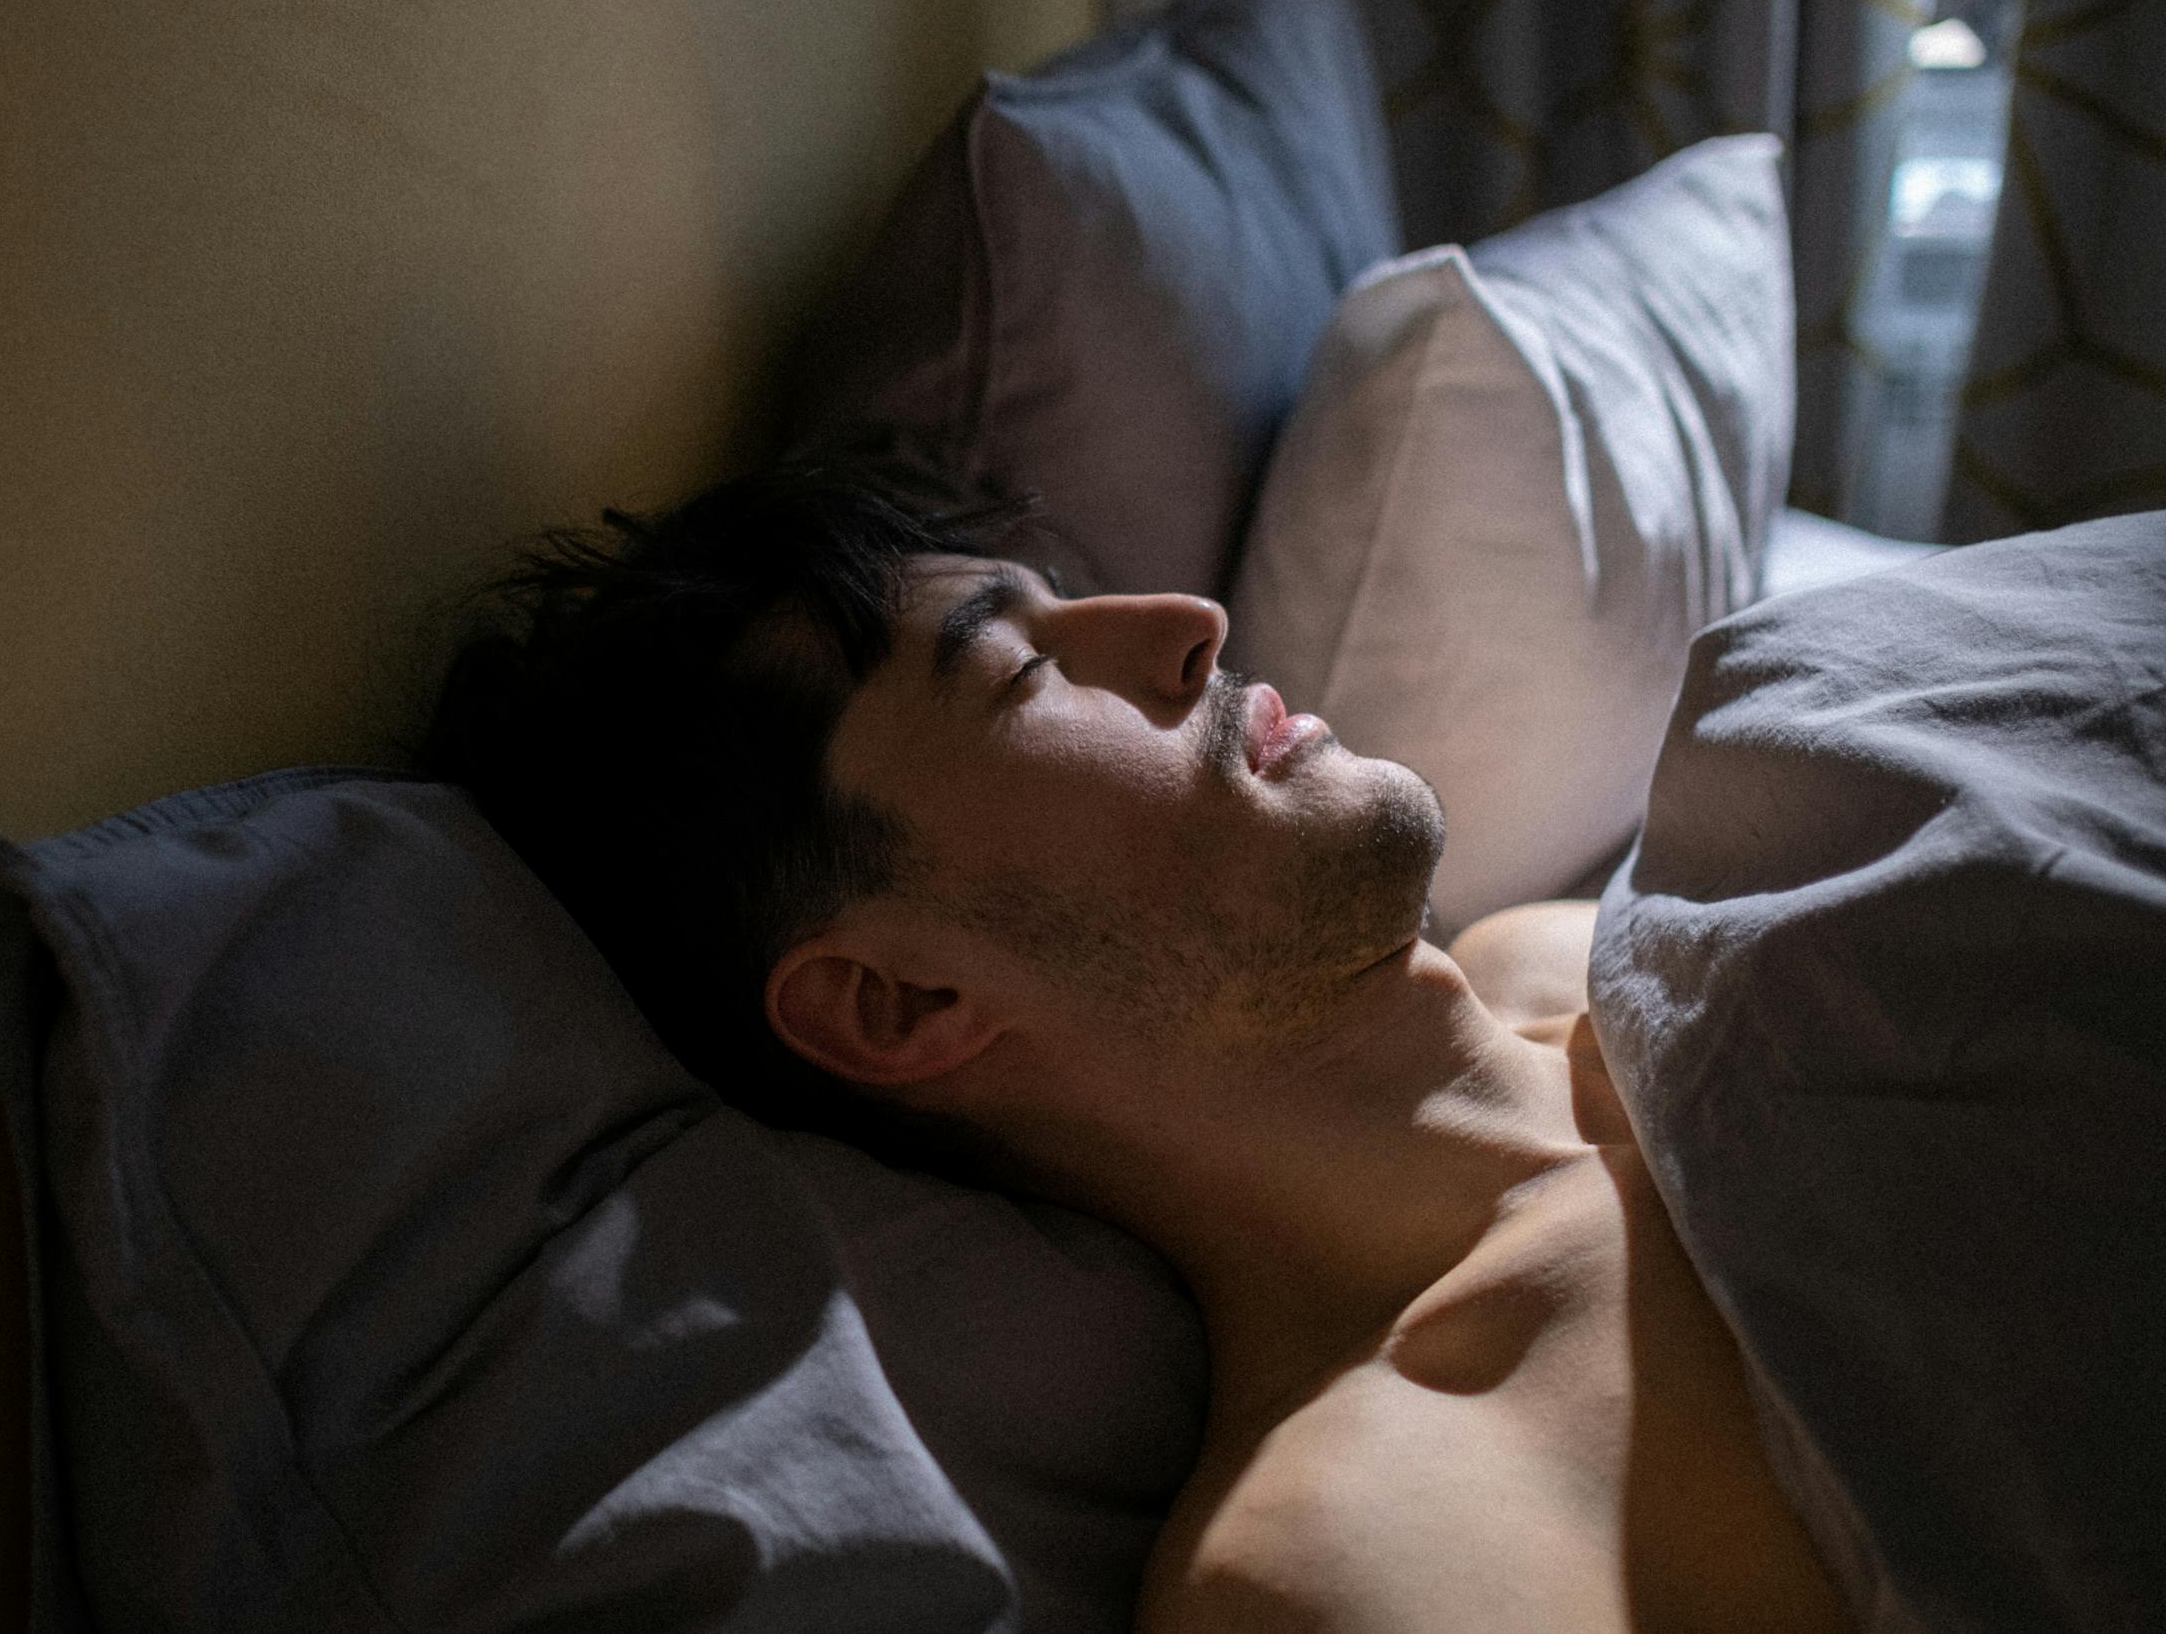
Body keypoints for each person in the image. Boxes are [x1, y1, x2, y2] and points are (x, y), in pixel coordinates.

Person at [428, 455, 1854, 1633]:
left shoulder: (1580, 946)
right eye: (1023, 671)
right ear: (900, 1003)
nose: (1188, 621)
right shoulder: (1366, 1543)